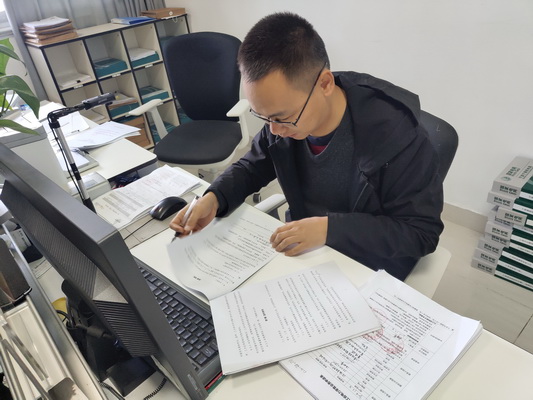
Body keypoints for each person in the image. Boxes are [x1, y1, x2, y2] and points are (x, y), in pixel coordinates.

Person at [170, 12, 444, 281]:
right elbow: (252, 166)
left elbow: (420, 233)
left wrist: (329, 230)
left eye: (282, 117)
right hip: (306, 253)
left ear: (325, 84)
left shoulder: (396, 135)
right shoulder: (283, 117)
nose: (274, 130)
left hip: (367, 264)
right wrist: (214, 197)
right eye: (263, 117)